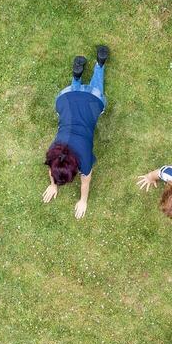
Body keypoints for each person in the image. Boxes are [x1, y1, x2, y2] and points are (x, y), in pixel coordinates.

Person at [42, 46, 109, 220]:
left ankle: (100, 64)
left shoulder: (85, 160)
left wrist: (83, 201)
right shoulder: (54, 150)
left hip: (90, 101)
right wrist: (54, 185)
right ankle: (77, 77)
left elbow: (85, 181)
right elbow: (52, 167)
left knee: (97, 94)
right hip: (65, 97)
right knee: (76, 100)